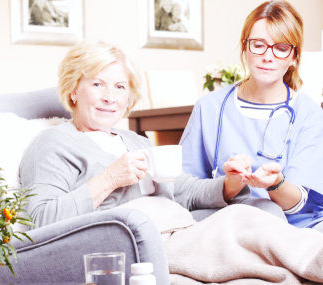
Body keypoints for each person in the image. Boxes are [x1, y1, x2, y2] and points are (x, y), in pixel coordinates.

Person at [19, 41, 323, 283]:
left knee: (260, 217)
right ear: (73, 89)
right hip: (140, 243)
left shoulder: (134, 141)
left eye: (120, 87)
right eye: (98, 84)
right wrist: (109, 179)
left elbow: (184, 190)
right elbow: (40, 222)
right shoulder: (52, 143)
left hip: (184, 230)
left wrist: (229, 185)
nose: (110, 97)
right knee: (240, 222)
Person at [180, 0, 323, 232]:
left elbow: (304, 205)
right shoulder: (210, 108)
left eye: (281, 47)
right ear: (245, 48)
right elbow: (182, 189)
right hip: (232, 224)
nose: (268, 56)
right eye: (259, 44)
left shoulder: (310, 115)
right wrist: (228, 186)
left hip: (294, 229)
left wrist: (276, 185)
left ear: (294, 57)